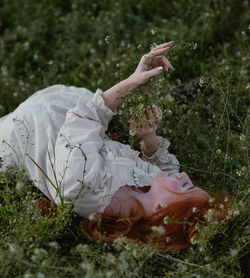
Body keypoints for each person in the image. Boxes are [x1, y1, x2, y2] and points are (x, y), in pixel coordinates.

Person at [0, 42, 228, 251]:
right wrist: (149, 138)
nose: (184, 175)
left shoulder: (85, 185)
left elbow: (83, 118)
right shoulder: (149, 196)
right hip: (60, 111)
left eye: (185, 186)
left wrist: (132, 81)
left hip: (30, 126)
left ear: (161, 209)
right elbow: (168, 170)